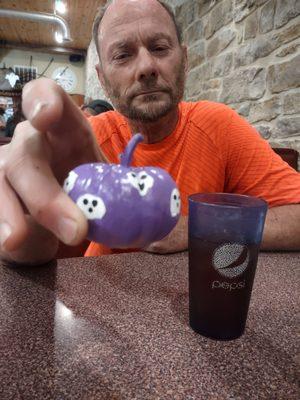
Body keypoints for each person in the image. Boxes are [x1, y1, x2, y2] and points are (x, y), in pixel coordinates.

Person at [0, 0, 299, 265]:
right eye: (123, 54)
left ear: (184, 61)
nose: (146, 66)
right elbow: (37, 254)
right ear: (103, 80)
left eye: (159, 48)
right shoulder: (84, 147)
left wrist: (196, 227)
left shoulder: (218, 126)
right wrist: (23, 229)